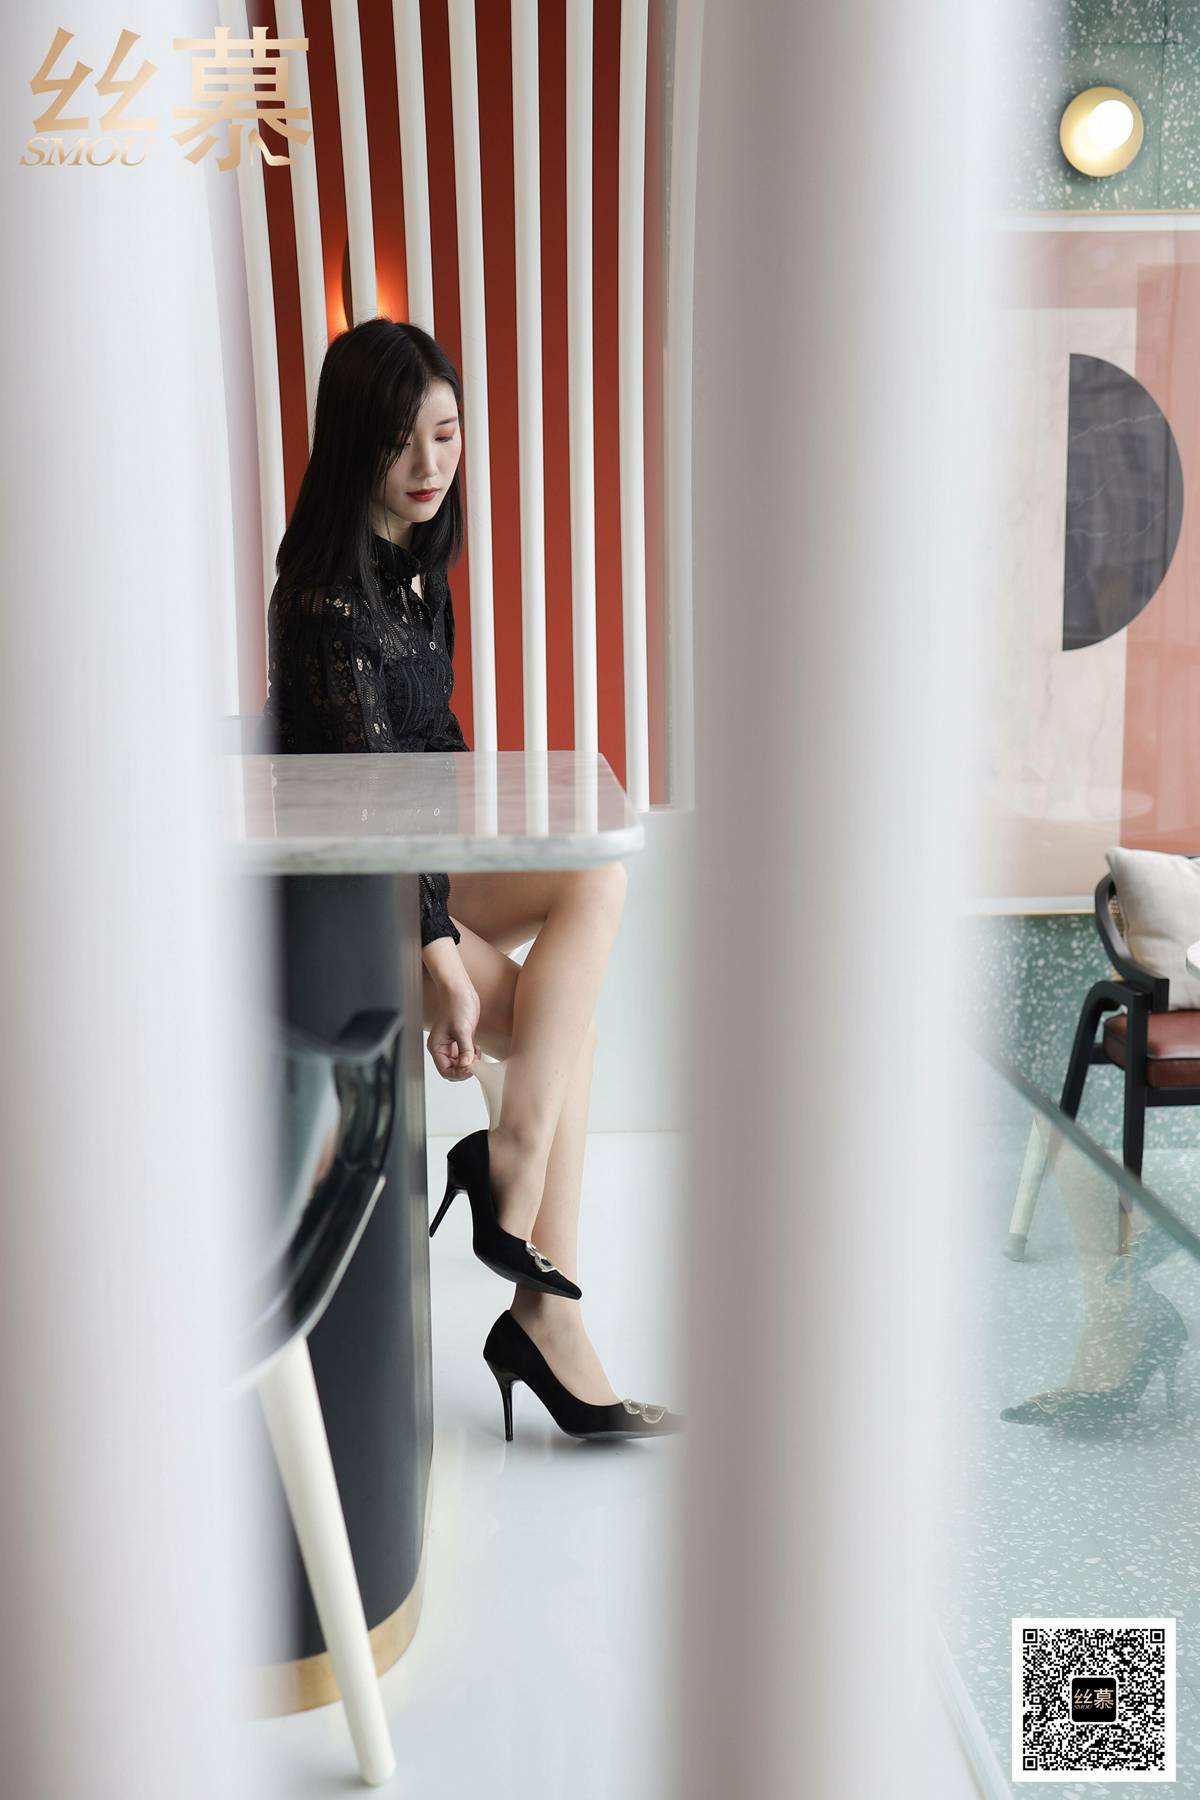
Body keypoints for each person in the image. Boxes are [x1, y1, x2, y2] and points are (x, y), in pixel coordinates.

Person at [262, 318, 682, 1441]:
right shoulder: (321, 600)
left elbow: (432, 765)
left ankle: (513, 1177)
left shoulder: (412, 571)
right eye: (402, 441)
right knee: (567, 1033)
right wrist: (442, 952)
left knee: (593, 874)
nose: (430, 464)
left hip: (409, 875)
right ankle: (541, 1298)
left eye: (446, 435)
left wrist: (510, 833)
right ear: (353, 442)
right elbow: (368, 818)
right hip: (348, 908)